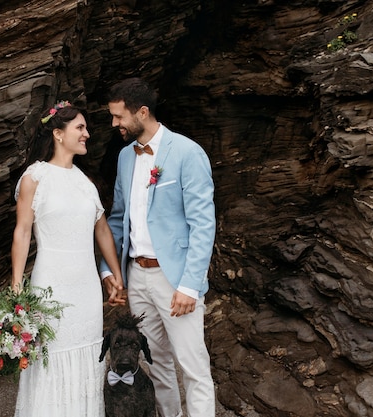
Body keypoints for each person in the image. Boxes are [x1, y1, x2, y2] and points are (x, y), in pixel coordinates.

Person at [99, 78, 216, 417]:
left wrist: (190, 285)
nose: (114, 124)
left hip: (175, 278)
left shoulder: (187, 153)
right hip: (137, 277)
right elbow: (119, 219)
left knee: (193, 367)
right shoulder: (124, 158)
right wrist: (110, 270)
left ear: (143, 112)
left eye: (119, 117)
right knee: (158, 363)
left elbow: (203, 224)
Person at [11, 101, 125, 417]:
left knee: (88, 356)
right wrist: (17, 285)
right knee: (51, 357)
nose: (87, 134)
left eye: (86, 128)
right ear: (59, 134)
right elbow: (22, 232)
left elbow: (102, 230)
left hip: (86, 287)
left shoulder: (85, 182)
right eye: (80, 128)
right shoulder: (35, 177)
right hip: (51, 284)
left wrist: (115, 274)